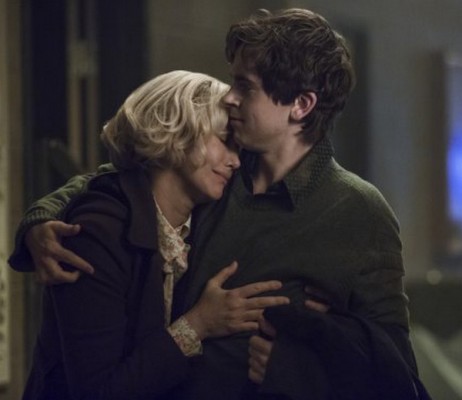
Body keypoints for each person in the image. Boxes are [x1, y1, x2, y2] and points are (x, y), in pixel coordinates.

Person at [10, 8, 431, 400]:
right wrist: (40, 219)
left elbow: (396, 374)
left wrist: (302, 365)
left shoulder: (358, 211)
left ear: (301, 106)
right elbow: (123, 178)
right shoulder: (215, 174)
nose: (230, 96)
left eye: (246, 86)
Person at [9, 70, 291, 399]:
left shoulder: (202, 219)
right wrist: (199, 324)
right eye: (224, 141)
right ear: (177, 132)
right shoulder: (97, 233)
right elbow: (96, 393)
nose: (235, 161)